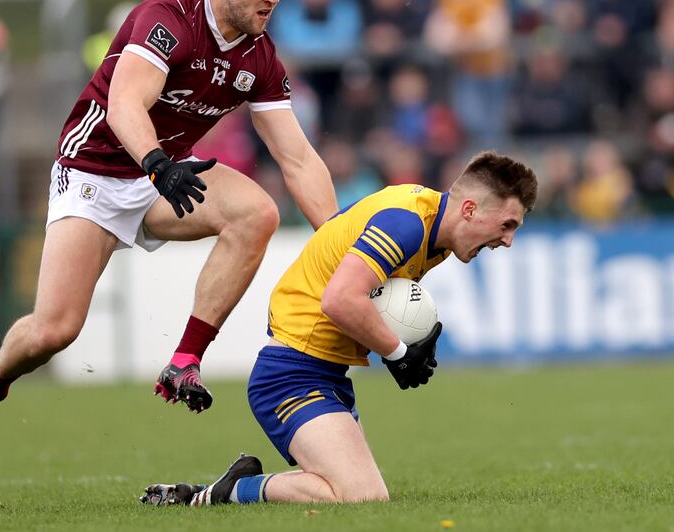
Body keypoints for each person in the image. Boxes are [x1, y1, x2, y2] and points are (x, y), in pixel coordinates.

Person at [0, 0, 337, 457]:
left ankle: (186, 360)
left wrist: (340, 240)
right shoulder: (167, 18)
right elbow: (125, 104)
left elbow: (298, 157)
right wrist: (157, 165)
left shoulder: (260, 57)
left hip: (161, 174)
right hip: (94, 174)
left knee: (255, 214)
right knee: (54, 331)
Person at [141, 151, 537, 506]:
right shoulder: (408, 223)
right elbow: (340, 299)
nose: (508, 240)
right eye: (506, 224)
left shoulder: (432, 229)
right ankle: (225, 493)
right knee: (362, 495)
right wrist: (399, 353)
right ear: (469, 209)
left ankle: (233, 485)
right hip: (289, 376)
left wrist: (401, 344)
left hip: (326, 374)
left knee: (341, 487)